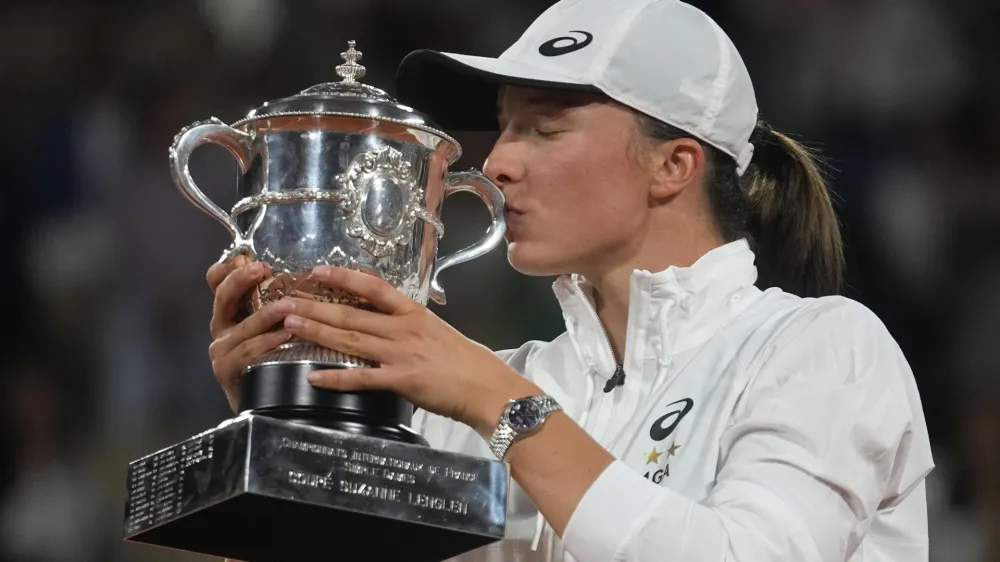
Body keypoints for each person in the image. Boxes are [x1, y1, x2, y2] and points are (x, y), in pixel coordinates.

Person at [206, 0, 934, 560]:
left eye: (544, 129)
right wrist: (285, 420)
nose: (496, 165)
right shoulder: (475, 397)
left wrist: (500, 402)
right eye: (503, 126)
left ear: (673, 165)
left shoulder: (818, 347)